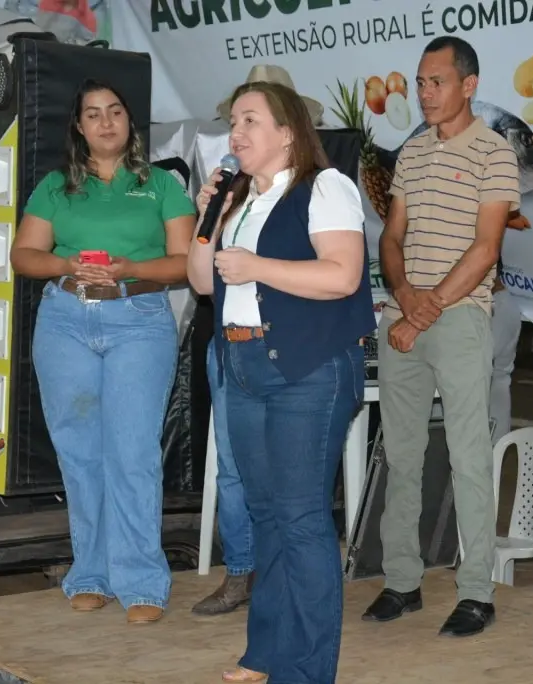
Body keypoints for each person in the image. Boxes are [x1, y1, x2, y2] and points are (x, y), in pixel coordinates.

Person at [186, 80, 373, 684]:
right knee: (266, 515)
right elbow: (203, 282)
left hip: (306, 370)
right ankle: (265, 654)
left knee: (300, 518)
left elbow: (343, 276)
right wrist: (206, 217)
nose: (235, 133)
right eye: (232, 122)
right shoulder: (238, 199)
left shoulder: (326, 187)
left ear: (287, 132)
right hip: (240, 367)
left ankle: (307, 670)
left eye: (249, 121)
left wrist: (257, 266)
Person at [10, 79, 197, 624]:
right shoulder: (54, 186)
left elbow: (184, 262)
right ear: (79, 127)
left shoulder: (161, 184)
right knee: (79, 452)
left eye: (115, 111)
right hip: (65, 320)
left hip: (137, 321)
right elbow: (25, 255)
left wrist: (131, 268)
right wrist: (68, 266)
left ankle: (141, 581)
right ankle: (90, 573)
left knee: (132, 453)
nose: (106, 122)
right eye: (93, 114)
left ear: (129, 122)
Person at [361, 35, 520, 638]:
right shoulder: (413, 152)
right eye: (421, 82)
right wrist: (404, 298)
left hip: (458, 318)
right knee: (401, 455)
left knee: (467, 457)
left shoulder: (494, 152)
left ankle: (476, 591)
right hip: (406, 316)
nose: (426, 92)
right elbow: (390, 237)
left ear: (469, 85)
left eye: (438, 82)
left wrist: (423, 311)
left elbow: (486, 248)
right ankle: (402, 582)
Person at [190, 336, 255, 616]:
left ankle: (286, 577)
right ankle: (239, 574)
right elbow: (207, 289)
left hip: (291, 339)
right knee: (231, 470)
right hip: (229, 340)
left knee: (288, 469)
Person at [489, 259, 524, 444]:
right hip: (488, 402)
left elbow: (485, 355)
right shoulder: (497, 302)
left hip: (490, 406)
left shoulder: (501, 307)